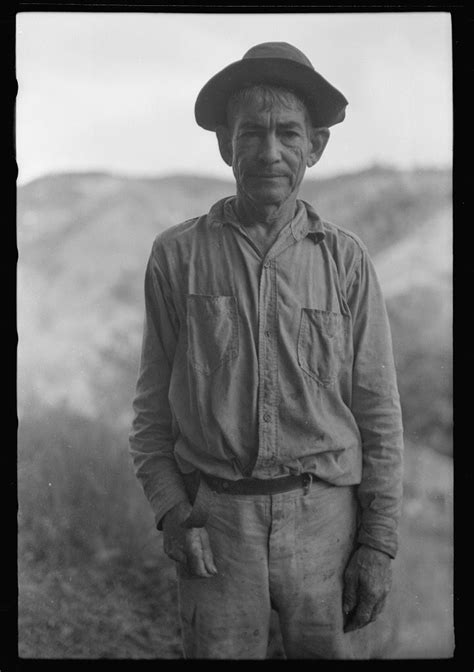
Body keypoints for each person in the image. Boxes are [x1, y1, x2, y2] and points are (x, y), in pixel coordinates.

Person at [129, 42, 404, 659]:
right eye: (251, 132)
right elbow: (151, 413)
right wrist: (174, 513)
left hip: (328, 523)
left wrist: (377, 544)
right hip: (216, 526)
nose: (269, 152)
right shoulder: (176, 257)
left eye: (288, 133)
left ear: (316, 146)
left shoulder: (348, 261)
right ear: (226, 144)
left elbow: (379, 415)